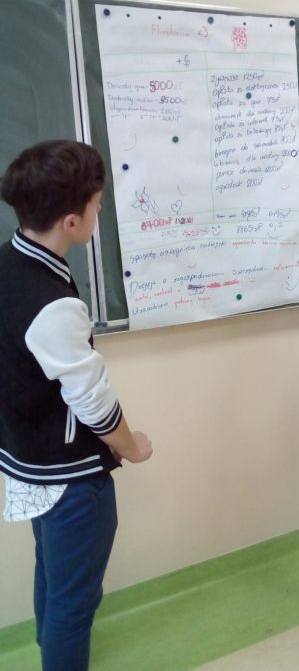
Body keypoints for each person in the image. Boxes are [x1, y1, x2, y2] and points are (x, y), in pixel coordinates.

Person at [0, 140, 153, 671]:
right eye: (97, 203)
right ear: (71, 221)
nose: (101, 208)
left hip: (27, 460)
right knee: (74, 605)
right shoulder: (51, 303)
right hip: (68, 478)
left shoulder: (10, 260)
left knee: (52, 576)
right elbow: (93, 400)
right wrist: (131, 447)